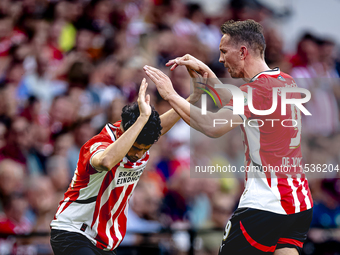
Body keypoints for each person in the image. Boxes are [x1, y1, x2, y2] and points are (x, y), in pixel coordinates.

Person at [144, 19, 313, 255]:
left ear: (243, 52)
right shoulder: (285, 81)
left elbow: (212, 126)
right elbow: (239, 102)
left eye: (224, 52)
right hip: (298, 204)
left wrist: (170, 94)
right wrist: (208, 74)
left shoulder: (255, 91)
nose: (221, 59)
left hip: (266, 205)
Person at [50, 78, 193, 255]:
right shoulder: (98, 145)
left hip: (103, 242)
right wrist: (142, 119)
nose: (140, 154)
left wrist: (193, 98)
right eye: (137, 148)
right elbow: (105, 162)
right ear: (123, 133)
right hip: (73, 232)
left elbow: (160, 127)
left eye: (145, 149)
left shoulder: (139, 139)